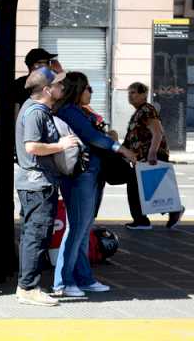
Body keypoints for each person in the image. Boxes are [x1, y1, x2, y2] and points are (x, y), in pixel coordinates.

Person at [53, 72, 137, 298]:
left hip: (91, 174)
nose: (92, 92)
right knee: (77, 229)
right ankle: (64, 281)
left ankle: (83, 277)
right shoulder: (69, 110)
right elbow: (92, 136)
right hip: (81, 175)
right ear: (78, 89)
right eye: (88, 87)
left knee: (82, 229)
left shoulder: (78, 111)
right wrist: (120, 148)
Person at [14, 68, 80, 307]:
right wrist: (61, 145)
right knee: (36, 235)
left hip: (39, 183)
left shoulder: (37, 110)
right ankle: (28, 288)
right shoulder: (35, 112)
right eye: (59, 85)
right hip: (37, 183)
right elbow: (31, 147)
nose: (62, 88)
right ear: (46, 89)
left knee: (34, 235)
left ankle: (27, 285)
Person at [122, 82, 185, 230]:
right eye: (129, 93)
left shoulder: (147, 110)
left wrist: (152, 153)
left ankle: (141, 221)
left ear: (144, 94)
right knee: (153, 188)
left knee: (136, 187)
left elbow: (157, 132)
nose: (130, 96)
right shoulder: (138, 112)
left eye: (134, 93)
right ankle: (173, 210)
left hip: (151, 157)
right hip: (143, 158)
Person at [12, 48, 58, 113]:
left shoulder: (51, 83)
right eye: (47, 63)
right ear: (36, 65)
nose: (50, 66)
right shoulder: (18, 85)